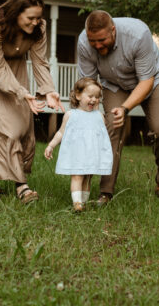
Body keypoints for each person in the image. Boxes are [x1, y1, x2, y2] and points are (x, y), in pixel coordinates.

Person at [0, 0, 63, 202]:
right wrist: (21, 91)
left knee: (19, 124)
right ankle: (7, 184)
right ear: (15, 13)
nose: (36, 22)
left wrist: (48, 89)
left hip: (15, 66)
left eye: (38, 17)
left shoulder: (39, 28)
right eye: (30, 18)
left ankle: (16, 177)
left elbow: (39, 61)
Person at [77, 10, 159, 203]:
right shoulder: (84, 42)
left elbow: (146, 80)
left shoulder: (138, 34)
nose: (96, 45)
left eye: (101, 40)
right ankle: (106, 192)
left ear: (113, 30)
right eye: (92, 41)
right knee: (112, 125)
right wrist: (84, 114)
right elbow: (87, 83)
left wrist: (125, 108)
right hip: (114, 84)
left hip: (151, 81)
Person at [43, 77, 114, 212]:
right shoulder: (71, 115)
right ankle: (77, 203)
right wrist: (51, 145)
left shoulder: (99, 116)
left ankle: (83, 202)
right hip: (76, 153)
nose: (93, 100)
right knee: (77, 176)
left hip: (91, 153)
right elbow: (60, 133)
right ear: (78, 95)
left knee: (87, 177)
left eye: (97, 97)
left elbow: (102, 135)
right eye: (90, 96)